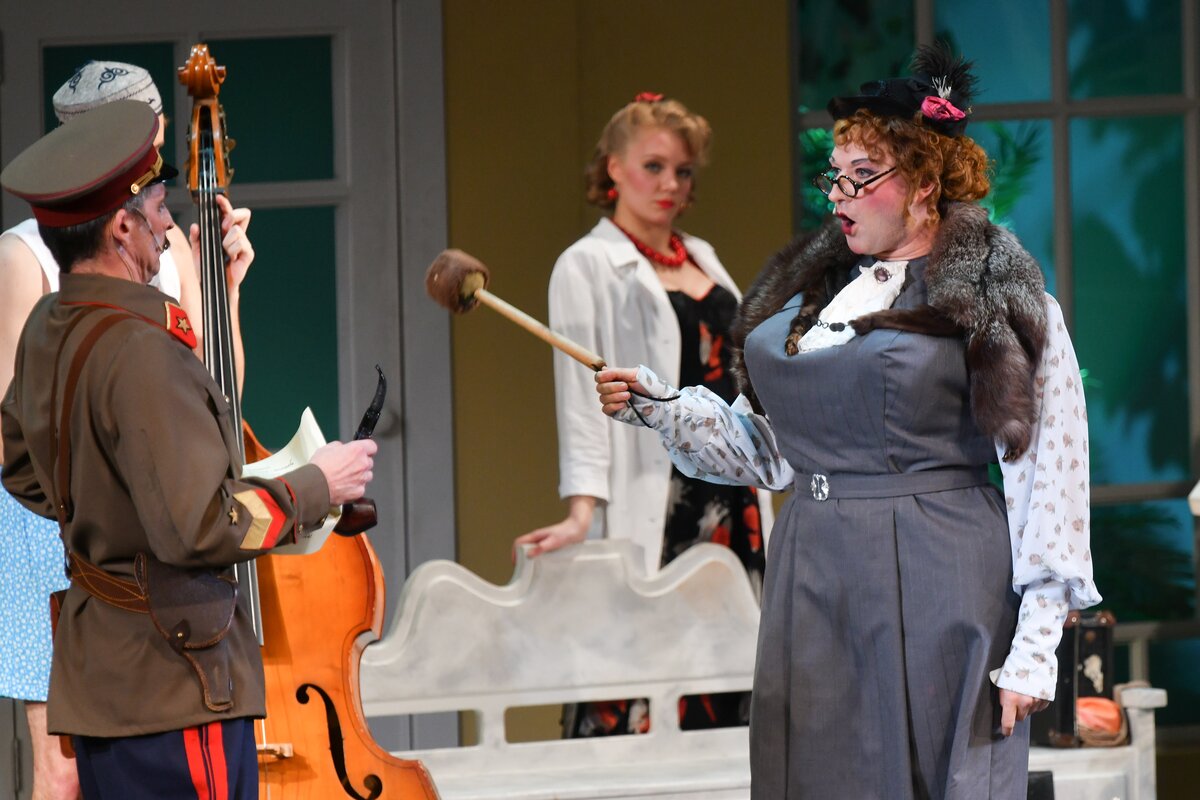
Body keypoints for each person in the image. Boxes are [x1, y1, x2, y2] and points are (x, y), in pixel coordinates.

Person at [595, 46, 1100, 798]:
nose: (839, 195)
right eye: (835, 176)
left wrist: (1033, 649)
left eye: (862, 176)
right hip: (816, 575)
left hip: (940, 573)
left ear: (925, 184)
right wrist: (665, 408)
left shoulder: (993, 296)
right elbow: (771, 454)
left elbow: (1049, 471)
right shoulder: (821, 296)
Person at [0, 100, 373, 798]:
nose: (169, 225)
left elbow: (21, 468)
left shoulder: (52, 323)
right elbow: (205, 526)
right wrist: (319, 482)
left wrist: (113, 514)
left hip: (102, 673)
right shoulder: (141, 349)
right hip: (175, 681)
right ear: (121, 226)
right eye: (158, 207)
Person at [0, 61, 253, 800]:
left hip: (163, 525)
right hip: (61, 536)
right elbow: (22, 431)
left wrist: (226, 293)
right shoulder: (27, 253)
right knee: (62, 769)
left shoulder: (168, 241)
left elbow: (218, 393)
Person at [514, 92, 772, 736]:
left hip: (731, 492)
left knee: (735, 677)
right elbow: (581, 397)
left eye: (682, 171)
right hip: (658, 494)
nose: (670, 184)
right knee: (648, 679)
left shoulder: (703, 255)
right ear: (614, 168)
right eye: (653, 167)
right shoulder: (587, 265)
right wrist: (582, 510)